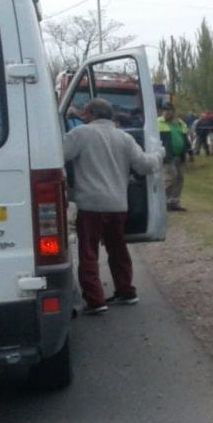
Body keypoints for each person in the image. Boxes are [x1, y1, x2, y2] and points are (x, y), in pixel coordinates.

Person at [63, 98, 163, 314]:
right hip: (118, 205)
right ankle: (126, 291)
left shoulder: (80, 134)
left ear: (89, 114)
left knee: (89, 253)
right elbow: (145, 165)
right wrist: (159, 154)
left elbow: (58, 155)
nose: (82, 116)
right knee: (118, 249)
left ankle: (95, 300)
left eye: (84, 113)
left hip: (90, 205)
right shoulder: (124, 137)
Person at [158, 103, 191, 211]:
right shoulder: (158, 123)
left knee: (179, 179)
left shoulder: (180, 123)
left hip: (179, 156)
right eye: (165, 110)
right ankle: (162, 202)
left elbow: (185, 138)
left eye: (169, 110)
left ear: (174, 111)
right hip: (167, 156)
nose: (167, 112)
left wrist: (189, 152)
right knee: (171, 178)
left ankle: (174, 202)